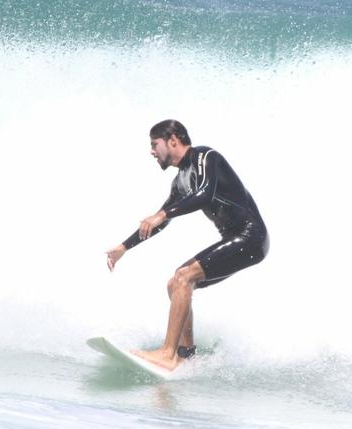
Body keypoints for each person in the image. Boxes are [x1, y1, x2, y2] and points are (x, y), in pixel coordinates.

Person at [106, 120, 269, 371]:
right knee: (176, 284)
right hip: (234, 239)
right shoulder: (180, 181)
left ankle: (167, 354)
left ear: (173, 139)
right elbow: (159, 222)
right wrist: (124, 247)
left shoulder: (206, 156)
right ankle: (186, 354)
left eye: (154, 144)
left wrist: (161, 214)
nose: (152, 151)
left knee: (183, 276)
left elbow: (204, 193)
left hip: (251, 236)